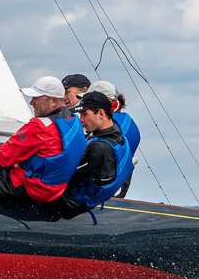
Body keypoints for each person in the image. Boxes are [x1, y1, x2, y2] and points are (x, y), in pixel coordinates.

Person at [49, 90, 138, 218]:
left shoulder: (98, 149)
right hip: (93, 201)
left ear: (101, 113)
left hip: (69, 206)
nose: (82, 120)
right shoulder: (120, 137)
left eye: (85, 114)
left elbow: (63, 177)